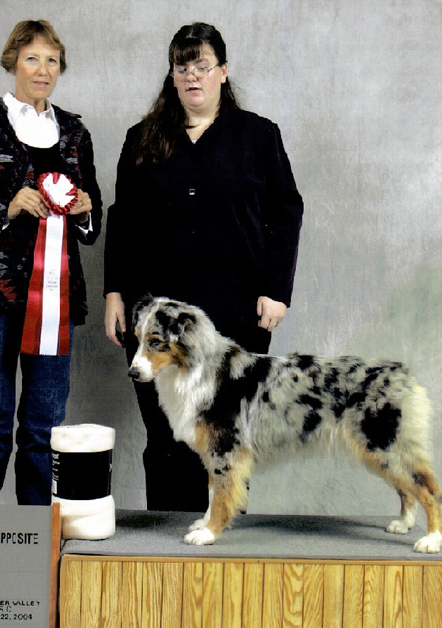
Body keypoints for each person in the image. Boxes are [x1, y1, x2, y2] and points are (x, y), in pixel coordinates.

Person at [104, 22, 303, 511]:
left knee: (226, 436)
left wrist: (277, 290)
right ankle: (166, 544)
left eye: (202, 66)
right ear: (172, 76)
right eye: (182, 67)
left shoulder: (258, 136)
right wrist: (114, 294)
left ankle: (222, 539)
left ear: (223, 72)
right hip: (157, 320)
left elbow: (286, 213)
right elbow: (122, 221)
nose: (192, 76)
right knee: (166, 438)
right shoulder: (142, 139)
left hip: (236, 313)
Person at [0, 20, 102, 505]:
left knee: (45, 426)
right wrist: (5, 208)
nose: (42, 70)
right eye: (32, 59)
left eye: (52, 60)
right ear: (13, 63)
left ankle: (37, 539)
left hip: (56, 301)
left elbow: (91, 216)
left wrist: (86, 211)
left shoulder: (74, 131)